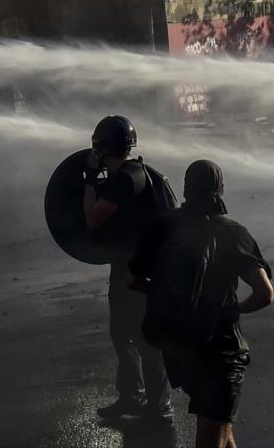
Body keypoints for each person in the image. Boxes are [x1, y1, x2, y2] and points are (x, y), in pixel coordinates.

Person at [130, 160, 274, 448]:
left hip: (182, 349)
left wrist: (171, 297)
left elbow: (134, 280)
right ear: (220, 188)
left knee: (223, 431)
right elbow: (265, 293)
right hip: (220, 349)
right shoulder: (233, 232)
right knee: (212, 438)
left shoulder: (165, 226)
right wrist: (235, 309)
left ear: (185, 188)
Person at [82, 115, 173, 425]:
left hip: (137, 272)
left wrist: (91, 180)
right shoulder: (138, 172)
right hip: (131, 267)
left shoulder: (123, 179)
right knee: (123, 333)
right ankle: (132, 394)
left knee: (143, 337)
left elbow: (93, 218)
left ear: (102, 148)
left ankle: (158, 405)